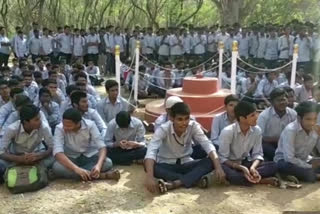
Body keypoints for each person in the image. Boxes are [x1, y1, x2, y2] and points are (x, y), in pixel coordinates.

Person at [144, 102, 226, 194]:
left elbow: (207, 144)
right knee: (150, 167)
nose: (184, 123)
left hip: (187, 163)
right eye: (180, 119)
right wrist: (149, 177)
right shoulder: (163, 129)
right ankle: (194, 179)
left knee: (211, 161)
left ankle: (175, 183)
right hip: (167, 164)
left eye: (186, 119)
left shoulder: (193, 126)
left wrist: (218, 167)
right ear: (172, 118)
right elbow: (151, 151)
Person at [218, 101, 278, 186]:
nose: (256, 117)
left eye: (256, 114)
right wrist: (240, 168)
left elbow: (257, 154)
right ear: (242, 118)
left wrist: (253, 168)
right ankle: (261, 181)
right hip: (230, 165)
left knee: (274, 166)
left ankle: (249, 177)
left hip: (245, 162)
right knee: (233, 175)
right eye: (252, 115)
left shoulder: (256, 130)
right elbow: (222, 158)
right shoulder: (228, 132)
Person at [52, 108, 120, 181]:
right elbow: (58, 152)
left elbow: (102, 147)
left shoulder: (90, 125)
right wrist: (76, 169)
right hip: (71, 158)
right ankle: (101, 176)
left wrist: (98, 166)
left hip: (89, 156)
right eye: (64, 124)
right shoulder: (59, 128)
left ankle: (83, 174)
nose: (65, 127)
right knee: (57, 167)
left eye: (68, 126)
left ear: (78, 123)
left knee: (108, 163)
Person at [274, 101, 320, 183]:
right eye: (308, 119)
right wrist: (309, 166)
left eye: (315, 119)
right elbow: (289, 158)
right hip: (285, 161)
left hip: (304, 160)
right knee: (309, 175)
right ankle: (283, 174)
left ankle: (291, 176)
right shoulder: (291, 130)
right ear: (299, 118)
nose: (312, 123)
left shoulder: (316, 129)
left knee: (311, 170)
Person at [0, 104, 54, 170]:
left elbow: (52, 147)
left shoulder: (44, 127)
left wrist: (40, 156)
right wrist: (18, 159)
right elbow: (1, 152)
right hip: (16, 157)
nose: (40, 121)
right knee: (1, 163)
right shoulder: (12, 129)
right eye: (36, 120)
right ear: (26, 121)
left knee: (54, 159)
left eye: (40, 118)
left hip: (37, 156)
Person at [257, 88, 297, 161]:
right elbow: (259, 137)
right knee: (270, 151)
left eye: (283, 99)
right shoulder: (264, 116)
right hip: (269, 144)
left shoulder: (293, 114)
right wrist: (279, 139)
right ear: (272, 102)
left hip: (288, 144)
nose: (282, 102)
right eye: (278, 100)